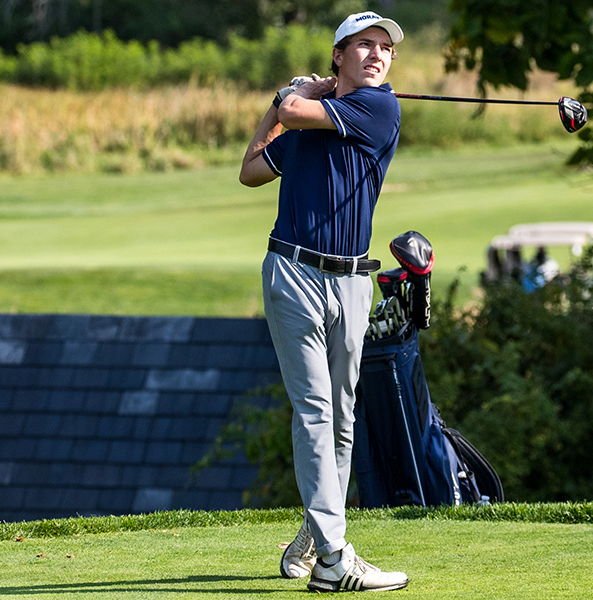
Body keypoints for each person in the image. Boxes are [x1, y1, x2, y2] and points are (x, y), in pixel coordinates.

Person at [238, 11, 409, 593]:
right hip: (292, 273)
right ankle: (335, 558)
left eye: (385, 48)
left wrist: (300, 93)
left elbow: (295, 108)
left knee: (341, 421)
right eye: (364, 45)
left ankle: (314, 539)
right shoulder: (310, 125)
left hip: (353, 282)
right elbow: (251, 170)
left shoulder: (380, 108)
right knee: (314, 411)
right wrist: (279, 104)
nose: (377, 55)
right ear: (340, 54)